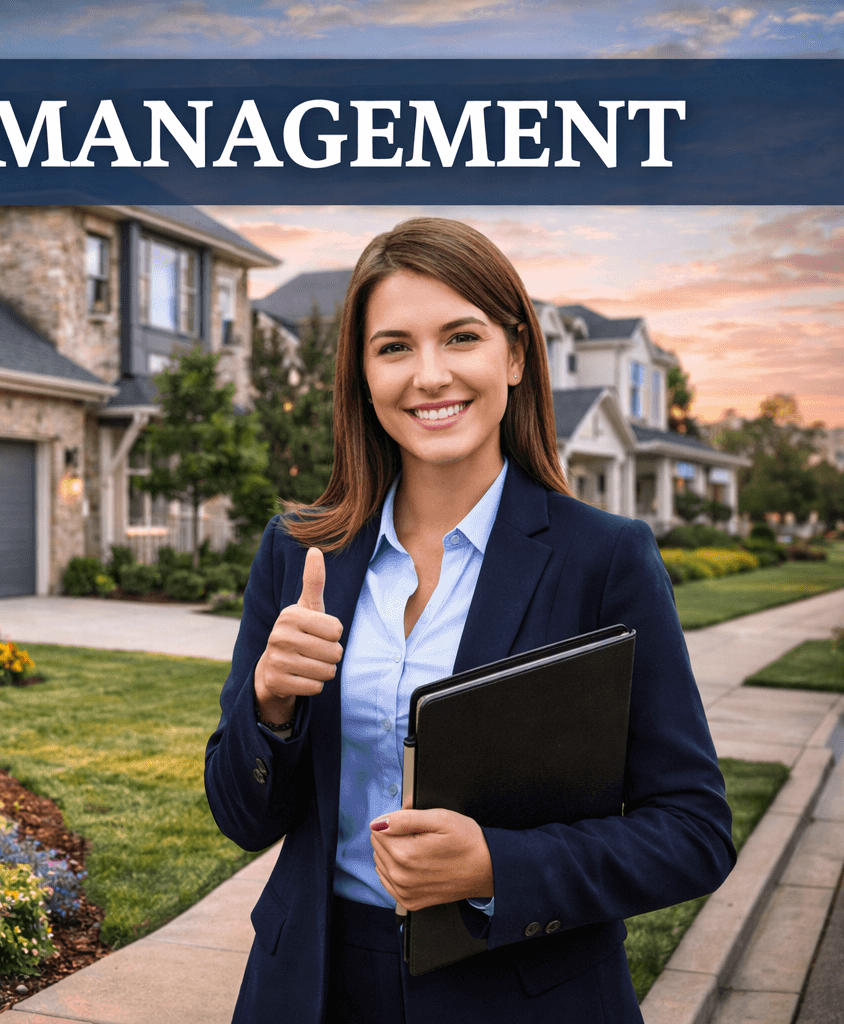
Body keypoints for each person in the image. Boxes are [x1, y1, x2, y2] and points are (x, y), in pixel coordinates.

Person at [203, 217, 734, 1024]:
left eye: (460, 337)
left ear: (514, 355)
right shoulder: (299, 554)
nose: (429, 375)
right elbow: (243, 818)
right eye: (393, 347)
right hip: (310, 986)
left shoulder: (605, 559)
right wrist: (270, 707)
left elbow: (693, 831)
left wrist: (497, 864)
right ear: (361, 372)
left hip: (521, 994)